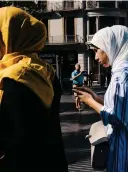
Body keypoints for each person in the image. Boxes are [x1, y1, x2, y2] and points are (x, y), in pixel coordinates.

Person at [0, 7, 68, 170]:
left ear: (8, 36)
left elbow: (14, 135)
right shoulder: (45, 70)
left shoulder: (15, 77)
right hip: (52, 159)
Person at [73, 25, 128, 172]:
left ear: (110, 45)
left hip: (123, 153)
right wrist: (96, 97)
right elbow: (124, 107)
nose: (96, 57)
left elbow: (118, 118)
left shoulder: (120, 76)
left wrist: (90, 101)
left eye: (96, 50)